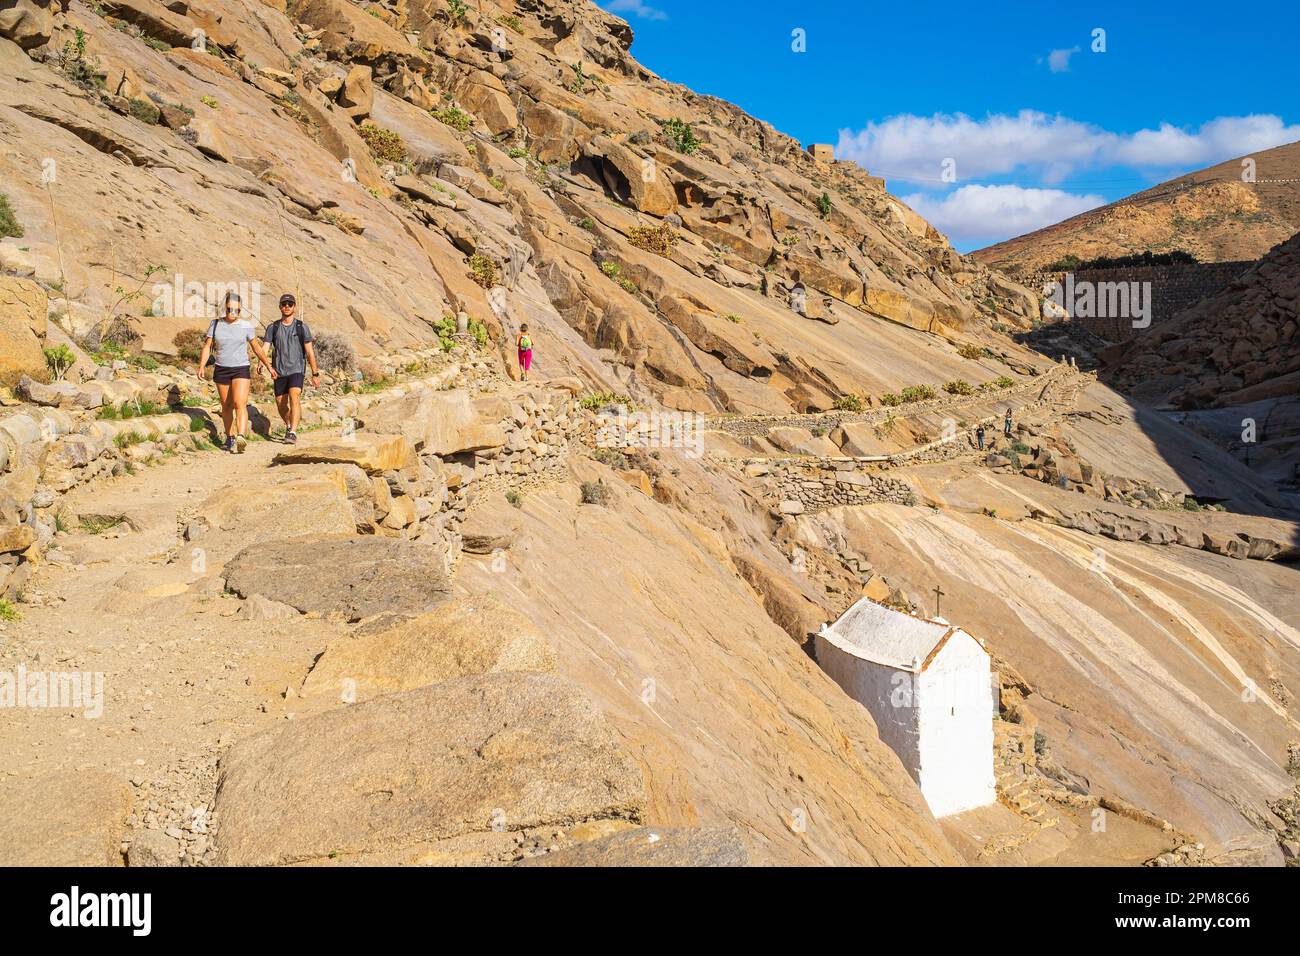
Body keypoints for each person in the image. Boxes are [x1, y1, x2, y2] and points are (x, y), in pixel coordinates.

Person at [196, 292, 276, 453]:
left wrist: (269, 366)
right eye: (230, 309)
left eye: (237, 310)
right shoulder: (216, 324)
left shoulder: (246, 326)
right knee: (226, 406)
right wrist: (201, 366)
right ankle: (229, 436)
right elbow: (207, 346)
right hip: (222, 368)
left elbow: (256, 348)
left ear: (240, 310)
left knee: (240, 403)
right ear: (224, 308)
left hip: (241, 368)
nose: (233, 313)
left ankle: (240, 436)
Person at [262, 293, 319, 444]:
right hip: (279, 371)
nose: (287, 306)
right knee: (280, 403)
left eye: (290, 304)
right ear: (280, 306)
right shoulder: (273, 327)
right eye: (284, 304)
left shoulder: (301, 327)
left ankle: (293, 432)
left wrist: (315, 373)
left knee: (295, 396)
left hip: (296, 370)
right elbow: (266, 347)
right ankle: (288, 425)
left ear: (294, 307)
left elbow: (309, 352)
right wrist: (262, 362)